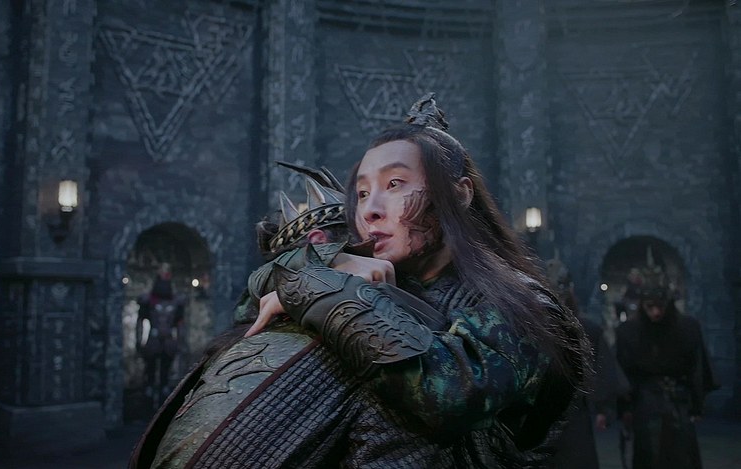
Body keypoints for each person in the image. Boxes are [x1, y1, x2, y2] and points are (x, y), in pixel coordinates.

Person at [247, 94, 591, 467]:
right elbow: (254, 302)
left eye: (394, 184)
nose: (370, 210)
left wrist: (327, 291)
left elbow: (449, 395)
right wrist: (327, 270)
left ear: (459, 194)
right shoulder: (369, 277)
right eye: (362, 193)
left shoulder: (522, 307)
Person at [131, 163, 456, 468]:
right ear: (319, 242)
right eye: (361, 239)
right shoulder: (361, 338)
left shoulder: (255, 323)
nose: (375, 245)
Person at [615, 262, 719, 469]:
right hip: (645, 403)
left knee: (681, 456)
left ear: (668, 304)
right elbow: (623, 372)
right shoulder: (629, 332)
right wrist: (625, 408)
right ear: (643, 305)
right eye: (650, 306)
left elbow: (697, 366)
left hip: (678, 402)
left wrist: (697, 404)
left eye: (660, 306)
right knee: (649, 454)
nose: (656, 313)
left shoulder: (687, 328)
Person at [544, 259, 624, 469]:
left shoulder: (587, 330)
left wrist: (603, 408)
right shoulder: (529, 329)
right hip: (538, 416)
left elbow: (603, 369)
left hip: (573, 417)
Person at [137, 263, 186, 406]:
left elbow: (179, 323)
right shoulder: (148, 301)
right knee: (150, 371)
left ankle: (161, 393)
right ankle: (149, 392)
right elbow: (140, 321)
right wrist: (139, 341)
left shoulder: (175, 301)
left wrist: (180, 342)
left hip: (168, 341)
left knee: (165, 371)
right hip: (154, 340)